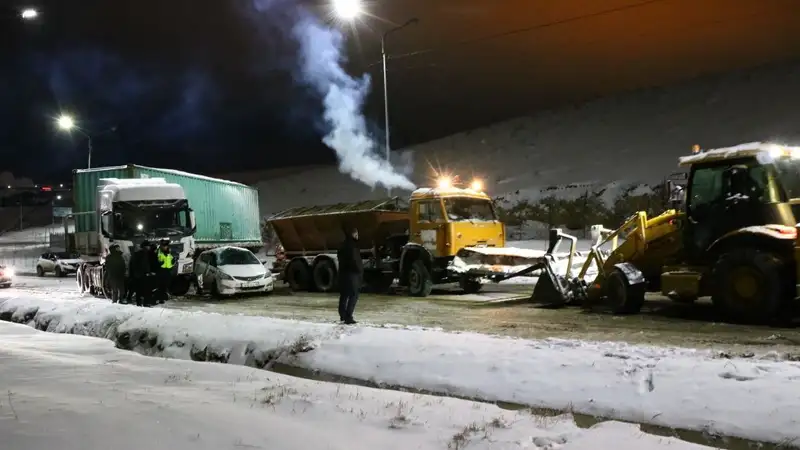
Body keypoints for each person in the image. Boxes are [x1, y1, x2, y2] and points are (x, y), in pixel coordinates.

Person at [337, 225, 362, 324]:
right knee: (354, 295)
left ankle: (342, 315)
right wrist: (359, 270)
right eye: (357, 233)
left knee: (344, 295)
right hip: (352, 274)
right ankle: (349, 316)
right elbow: (355, 260)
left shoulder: (342, 245)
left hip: (343, 273)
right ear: (353, 234)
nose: (358, 235)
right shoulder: (353, 246)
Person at [129, 241, 154, 307]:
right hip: (143, 275)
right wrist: (148, 272)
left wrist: (132, 274)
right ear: (146, 246)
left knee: (138, 290)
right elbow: (144, 265)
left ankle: (139, 303)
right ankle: (146, 303)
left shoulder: (135, 254)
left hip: (136, 275)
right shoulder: (144, 254)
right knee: (146, 289)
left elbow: (131, 264)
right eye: (148, 246)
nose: (149, 247)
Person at [155, 238, 174, 304]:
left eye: (166, 246)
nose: (165, 247)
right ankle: (160, 298)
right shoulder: (158, 252)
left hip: (167, 271)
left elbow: (171, 259)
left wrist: (172, 264)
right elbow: (155, 260)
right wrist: (159, 264)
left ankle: (163, 297)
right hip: (161, 271)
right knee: (160, 286)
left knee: (165, 285)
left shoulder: (168, 252)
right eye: (164, 246)